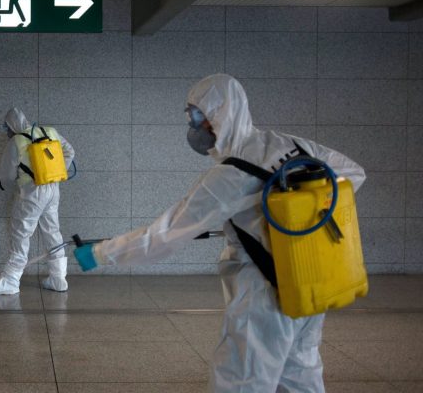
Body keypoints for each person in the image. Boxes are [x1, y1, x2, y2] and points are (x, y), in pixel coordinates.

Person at [73, 74, 365, 392]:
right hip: (310, 283)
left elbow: (163, 236)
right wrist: (292, 210)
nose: (195, 126)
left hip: (264, 296)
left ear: (220, 115)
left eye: (198, 116)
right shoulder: (289, 144)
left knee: (241, 382)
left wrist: (100, 253)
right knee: (300, 377)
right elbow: (353, 173)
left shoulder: (230, 175)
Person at [0, 107, 75, 295]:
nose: (7, 132)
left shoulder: (16, 141)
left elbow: (7, 175)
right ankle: (58, 278)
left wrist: (11, 186)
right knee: (52, 231)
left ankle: (10, 281)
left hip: (32, 192)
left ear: (11, 125)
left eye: (7, 128)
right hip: (53, 188)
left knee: (21, 234)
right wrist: (56, 171)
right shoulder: (50, 132)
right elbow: (70, 151)